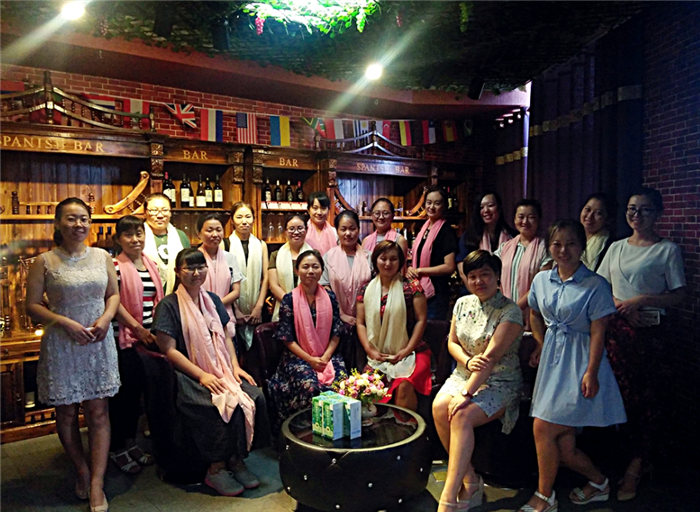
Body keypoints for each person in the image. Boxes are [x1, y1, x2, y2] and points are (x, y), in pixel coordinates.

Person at [519, 219, 626, 512]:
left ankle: (545, 497)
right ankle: (600, 483)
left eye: (571, 244)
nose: (563, 250)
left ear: (582, 246)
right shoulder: (541, 280)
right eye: (557, 244)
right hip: (553, 361)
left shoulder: (596, 285)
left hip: (580, 362)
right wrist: (540, 342)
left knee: (543, 428)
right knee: (565, 447)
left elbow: (598, 332)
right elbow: (534, 314)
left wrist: (591, 371)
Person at [26, 197, 120, 512]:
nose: (78, 224)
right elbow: (32, 306)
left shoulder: (103, 256)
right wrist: (64, 322)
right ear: (57, 223)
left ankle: (96, 483)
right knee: (66, 413)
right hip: (62, 342)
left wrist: (106, 318)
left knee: (98, 412)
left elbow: (113, 295)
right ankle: (81, 470)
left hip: (97, 339)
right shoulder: (44, 261)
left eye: (83, 219)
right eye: (71, 218)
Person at [151, 248, 270, 496]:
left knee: (252, 396)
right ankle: (216, 468)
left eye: (201, 267)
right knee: (214, 405)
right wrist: (202, 376)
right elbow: (169, 350)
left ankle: (236, 459)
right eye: (189, 268)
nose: (196, 273)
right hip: (186, 374)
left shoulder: (214, 300)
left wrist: (235, 367)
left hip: (221, 368)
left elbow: (227, 337)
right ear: (178, 272)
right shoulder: (168, 306)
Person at [597, 187, 686, 502]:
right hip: (617, 333)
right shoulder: (616, 247)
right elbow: (600, 287)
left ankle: (636, 467)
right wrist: (623, 306)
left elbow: (679, 295)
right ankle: (617, 462)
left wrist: (643, 300)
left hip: (651, 336)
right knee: (617, 399)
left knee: (646, 401)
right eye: (632, 209)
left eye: (645, 209)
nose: (637, 215)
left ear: (658, 214)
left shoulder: (667, 250)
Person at [432, 250, 523, 511]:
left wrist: (466, 393)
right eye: (472, 276)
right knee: (439, 407)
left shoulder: (510, 311)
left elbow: (490, 359)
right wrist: (467, 361)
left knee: (460, 415)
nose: (478, 281)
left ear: (497, 276)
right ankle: (470, 479)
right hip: (464, 372)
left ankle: (448, 498)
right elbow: (451, 342)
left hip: (499, 380)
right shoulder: (463, 303)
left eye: (485, 274)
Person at [266, 250, 346, 431]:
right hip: (298, 356)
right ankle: (308, 434)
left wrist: (325, 357)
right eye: (305, 267)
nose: (310, 271)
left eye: (315, 267)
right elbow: (287, 338)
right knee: (309, 386)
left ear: (321, 270)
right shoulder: (289, 299)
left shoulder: (330, 297)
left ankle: (338, 432)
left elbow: (337, 331)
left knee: (342, 384)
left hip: (327, 354)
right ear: (297, 271)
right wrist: (310, 360)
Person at [108, 215, 164, 475]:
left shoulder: (150, 263)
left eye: (139, 233)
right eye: (128, 234)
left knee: (140, 396)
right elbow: (113, 302)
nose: (135, 239)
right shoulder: (115, 265)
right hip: (125, 340)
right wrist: (137, 329)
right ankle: (117, 448)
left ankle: (131, 443)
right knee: (123, 397)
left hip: (148, 339)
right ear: (118, 239)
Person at [356, 241, 428, 411]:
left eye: (393, 259)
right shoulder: (365, 289)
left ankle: (407, 425)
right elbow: (360, 323)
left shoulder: (412, 287)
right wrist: (369, 350)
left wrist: (407, 350)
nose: (388, 263)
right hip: (378, 354)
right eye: (383, 258)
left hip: (412, 352)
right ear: (375, 260)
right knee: (366, 393)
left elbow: (421, 320)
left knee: (404, 387)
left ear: (400, 262)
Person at [494, 198, 551, 329]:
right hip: (502, 313)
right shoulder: (504, 247)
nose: (525, 221)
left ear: (539, 220)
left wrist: (515, 308)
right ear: (514, 220)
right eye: (521, 217)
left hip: (532, 315)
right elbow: (494, 275)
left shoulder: (545, 248)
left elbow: (540, 285)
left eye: (531, 217)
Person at [407, 186, 458, 320]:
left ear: (444, 206)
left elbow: (449, 266)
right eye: (429, 203)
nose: (432, 207)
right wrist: (411, 269)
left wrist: (420, 270)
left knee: (432, 328)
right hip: (419, 290)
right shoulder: (424, 228)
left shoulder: (446, 231)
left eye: (437, 203)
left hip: (437, 293)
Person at [228, 202, 268, 351]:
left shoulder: (261, 245)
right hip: (233, 309)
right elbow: (225, 280)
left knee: (257, 354)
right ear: (232, 220)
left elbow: (266, 278)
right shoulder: (225, 244)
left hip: (257, 309)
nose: (244, 221)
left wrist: (259, 307)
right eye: (239, 217)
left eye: (248, 216)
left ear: (253, 219)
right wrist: (235, 310)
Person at [321, 209, 372, 325]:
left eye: (352, 229)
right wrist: (341, 314)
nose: (348, 233)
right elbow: (325, 289)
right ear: (337, 231)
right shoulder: (328, 257)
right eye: (343, 229)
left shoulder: (369, 257)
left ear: (358, 230)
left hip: (366, 319)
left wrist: (361, 318)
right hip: (335, 319)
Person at [457, 191, 516, 289]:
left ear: (499, 208)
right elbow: (462, 270)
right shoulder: (469, 237)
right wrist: (480, 293)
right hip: (475, 291)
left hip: (508, 291)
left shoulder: (512, 236)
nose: (486, 210)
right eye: (481, 207)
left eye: (490, 205)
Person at [196, 213, 242, 320]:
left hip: (225, 313)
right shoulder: (193, 258)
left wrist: (216, 305)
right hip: (199, 312)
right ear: (199, 234)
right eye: (209, 230)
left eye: (218, 230)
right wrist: (208, 306)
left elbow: (236, 291)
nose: (215, 234)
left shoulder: (230, 258)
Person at [142, 193, 190, 295]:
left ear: (170, 212)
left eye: (164, 210)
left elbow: (188, 267)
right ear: (145, 212)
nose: (160, 215)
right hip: (145, 294)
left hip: (176, 295)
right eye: (154, 210)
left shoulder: (180, 236)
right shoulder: (138, 236)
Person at [268, 214, 312, 321]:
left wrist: (302, 304)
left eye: (300, 228)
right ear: (285, 232)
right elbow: (273, 286)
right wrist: (290, 303)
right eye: (291, 229)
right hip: (283, 307)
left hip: (309, 307)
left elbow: (316, 284)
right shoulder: (276, 255)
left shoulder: (313, 255)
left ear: (306, 230)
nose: (296, 232)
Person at [579, 193, 615, 271]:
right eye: (588, 210)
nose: (590, 216)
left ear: (607, 219)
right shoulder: (572, 237)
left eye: (598, 213)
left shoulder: (611, 246)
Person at [304, 191, 338, 255]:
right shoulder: (303, 232)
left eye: (323, 208)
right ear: (308, 210)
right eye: (315, 208)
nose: (319, 212)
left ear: (328, 210)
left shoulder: (335, 233)